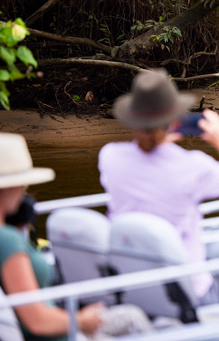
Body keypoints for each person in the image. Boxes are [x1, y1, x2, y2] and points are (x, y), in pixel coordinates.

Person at [98, 68, 219, 304]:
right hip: (187, 290)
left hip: (130, 286)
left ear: (133, 119)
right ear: (175, 121)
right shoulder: (192, 166)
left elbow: (148, 157)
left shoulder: (109, 157)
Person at [0, 133, 153, 340]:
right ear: (8, 187)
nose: (23, 191)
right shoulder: (7, 240)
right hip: (60, 334)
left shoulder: (11, 234)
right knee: (133, 316)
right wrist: (82, 319)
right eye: (21, 183)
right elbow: (37, 322)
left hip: (53, 324)